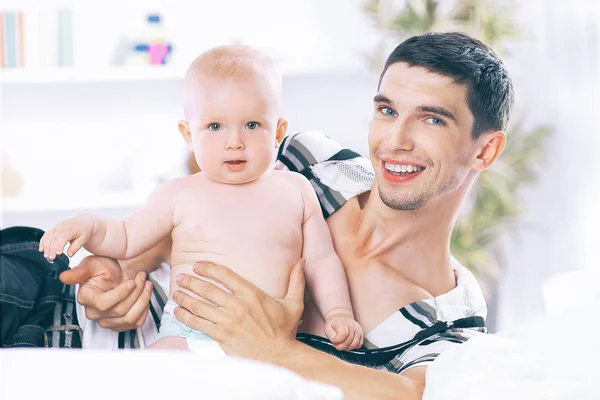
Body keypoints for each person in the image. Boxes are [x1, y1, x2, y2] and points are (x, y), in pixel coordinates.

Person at [60, 32, 513, 399]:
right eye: (387, 110)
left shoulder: (449, 321)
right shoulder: (311, 159)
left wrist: (275, 349)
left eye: (432, 120)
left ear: (486, 149)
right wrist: (120, 276)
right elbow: (195, 203)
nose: (397, 139)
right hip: (70, 323)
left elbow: (409, 397)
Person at [40, 45, 363, 352]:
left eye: (252, 125)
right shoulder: (179, 193)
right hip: (186, 333)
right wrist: (87, 224)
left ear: (278, 132)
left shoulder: (296, 190)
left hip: (267, 342)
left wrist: (338, 312)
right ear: (188, 135)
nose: (234, 142)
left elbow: (323, 261)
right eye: (215, 126)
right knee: (146, 375)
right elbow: (124, 236)